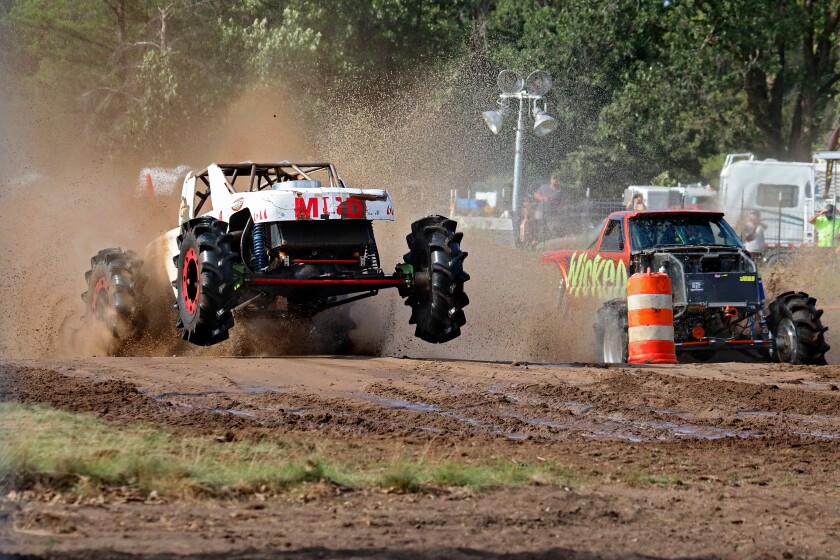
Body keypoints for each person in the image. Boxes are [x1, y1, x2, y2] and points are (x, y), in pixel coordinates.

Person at [533, 175, 562, 240]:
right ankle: (535, 240)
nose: (555, 180)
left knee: (553, 229)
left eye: (556, 179)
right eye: (553, 178)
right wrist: (543, 198)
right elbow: (535, 195)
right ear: (550, 180)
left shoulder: (559, 191)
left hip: (552, 212)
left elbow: (563, 202)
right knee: (537, 225)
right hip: (541, 210)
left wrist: (560, 208)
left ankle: (552, 241)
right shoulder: (544, 187)